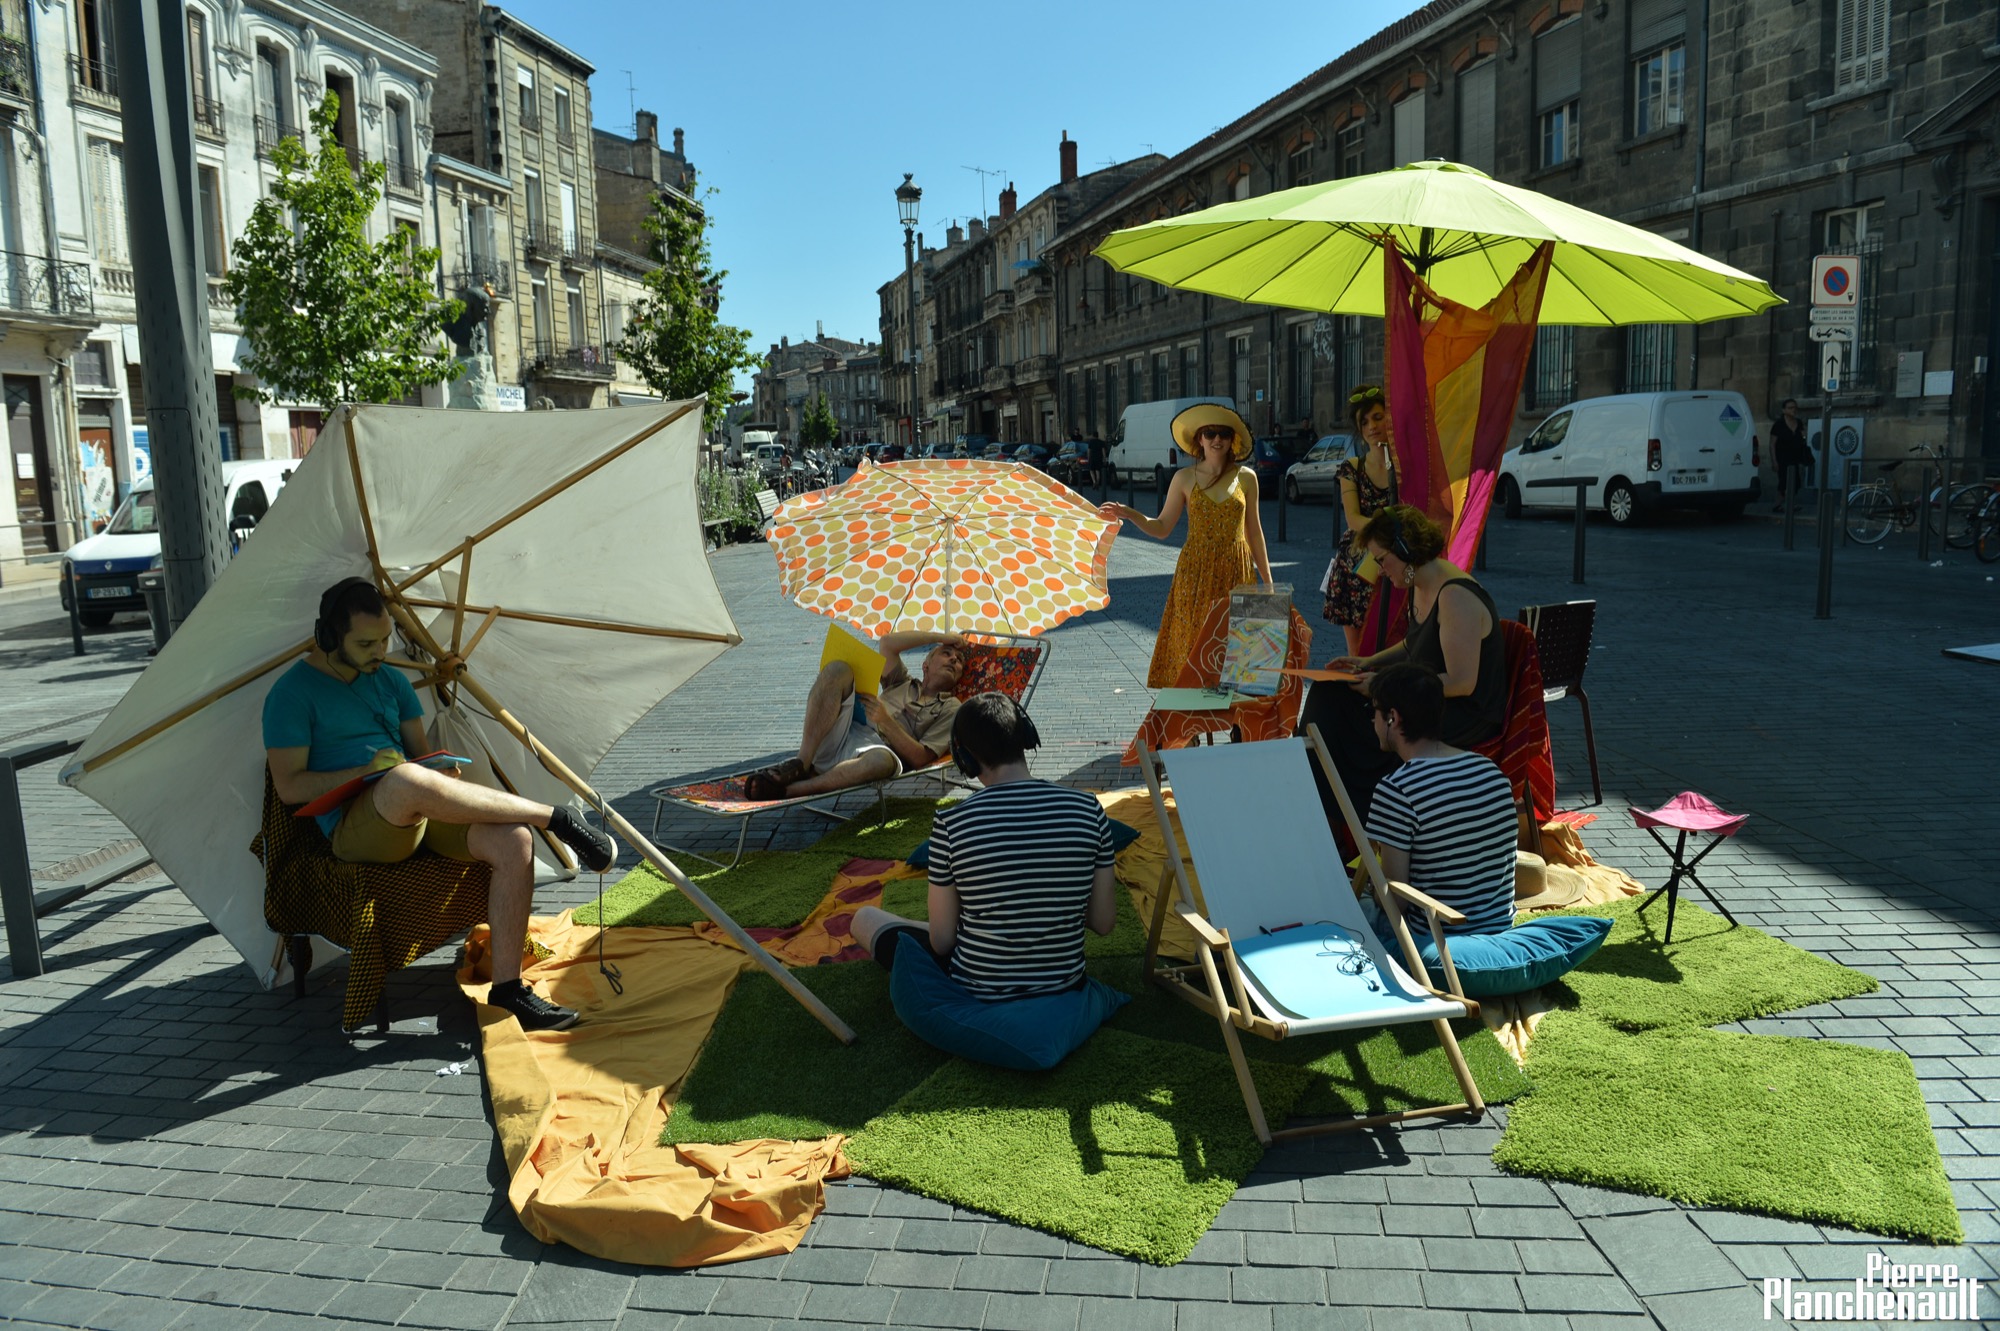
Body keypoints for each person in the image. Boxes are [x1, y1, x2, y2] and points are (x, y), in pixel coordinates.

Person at [263, 578, 617, 1032]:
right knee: (404, 778)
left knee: (514, 840)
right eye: (366, 644)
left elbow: (421, 757)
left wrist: (440, 775)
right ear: (329, 637)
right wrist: (368, 771)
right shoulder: (290, 695)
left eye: (384, 639)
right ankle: (555, 817)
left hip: (413, 809)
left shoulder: (391, 681)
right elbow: (290, 787)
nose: (380, 652)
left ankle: (509, 989)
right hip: (355, 829)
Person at [850, 693, 1128, 1068]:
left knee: (865, 918)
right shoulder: (1088, 810)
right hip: (1064, 981)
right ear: (1026, 736)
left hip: (980, 990)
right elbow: (1104, 922)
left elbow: (942, 941)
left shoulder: (951, 824)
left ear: (964, 758)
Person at [1298, 504, 1505, 828]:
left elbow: (1462, 682)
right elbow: (1413, 643)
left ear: (1406, 550)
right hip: (1427, 699)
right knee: (1328, 694)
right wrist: (1369, 661)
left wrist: (1386, 689)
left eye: (1381, 560)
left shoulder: (1455, 597)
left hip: (1461, 712)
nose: (1380, 570)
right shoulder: (1420, 583)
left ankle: (1358, 819)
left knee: (1365, 726)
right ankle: (1319, 806)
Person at [1099, 403, 1275, 689]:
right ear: (1199, 439)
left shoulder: (1246, 477)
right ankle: (1190, 714)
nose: (1216, 439)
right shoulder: (1184, 477)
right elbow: (1162, 527)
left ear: (1232, 440)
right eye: (1210, 433)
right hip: (1196, 573)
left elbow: (1254, 532)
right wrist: (1130, 514)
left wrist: (1267, 582)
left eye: (1223, 434)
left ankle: (1234, 713)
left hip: (1237, 572)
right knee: (1193, 644)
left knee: (1237, 648)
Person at [1360, 663, 1519, 943]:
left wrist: (1372, 888)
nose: (1372, 721)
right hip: (1499, 926)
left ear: (1392, 718)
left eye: (1373, 711)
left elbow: (1395, 902)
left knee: (1346, 906)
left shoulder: (1397, 789)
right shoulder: (1491, 771)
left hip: (1435, 939)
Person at [743, 630, 972, 800]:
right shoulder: (901, 681)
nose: (954, 659)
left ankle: (790, 790)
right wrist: (941, 637)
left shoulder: (952, 708)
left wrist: (886, 721)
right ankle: (801, 763)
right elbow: (887, 643)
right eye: (946, 654)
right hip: (845, 732)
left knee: (881, 762)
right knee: (837, 669)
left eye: (959, 661)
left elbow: (921, 758)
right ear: (926, 665)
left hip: (879, 751)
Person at [1320, 385, 1399, 655]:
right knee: (1358, 653)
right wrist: (1390, 530)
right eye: (1364, 422)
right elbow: (1353, 519)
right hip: (1357, 566)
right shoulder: (1352, 468)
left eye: (1377, 417)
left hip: (1399, 562)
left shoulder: (1404, 467)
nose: (1372, 426)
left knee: (1396, 643)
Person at [1771, 398, 1810, 512]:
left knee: (1796, 481)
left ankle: (1791, 503)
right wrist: (1774, 461)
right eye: (1790, 408)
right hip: (1782, 457)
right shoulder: (1779, 424)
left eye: (1795, 407)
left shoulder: (1799, 422)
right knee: (1783, 481)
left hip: (1795, 457)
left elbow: (1803, 437)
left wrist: (1804, 436)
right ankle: (1777, 504)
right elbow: (1772, 444)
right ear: (1784, 410)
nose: (1794, 410)